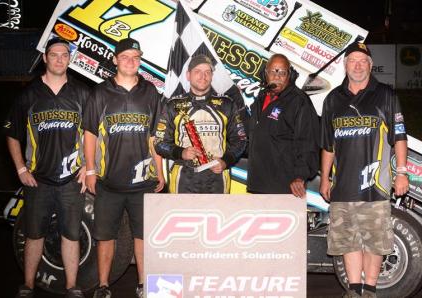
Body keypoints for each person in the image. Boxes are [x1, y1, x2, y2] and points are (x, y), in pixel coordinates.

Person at [319, 42, 409, 298]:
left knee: (374, 241)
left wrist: (401, 172)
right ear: (345, 65)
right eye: (352, 60)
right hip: (343, 186)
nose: (357, 65)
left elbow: (399, 136)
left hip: (376, 186)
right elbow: (327, 145)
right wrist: (325, 178)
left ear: (370, 65)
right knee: (348, 241)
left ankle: (369, 289)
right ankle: (354, 289)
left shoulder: (386, 95)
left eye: (362, 60)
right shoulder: (333, 99)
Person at [5, 37, 90, 298]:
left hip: (71, 180)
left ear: (70, 59)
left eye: (64, 55)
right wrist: (21, 169)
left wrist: (88, 165)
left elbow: (92, 133)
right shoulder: (28, 95)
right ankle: (28, 285)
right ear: (45, 57)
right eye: (54, 54)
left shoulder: (81, 94)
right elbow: (11, 133)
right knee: (34, 234)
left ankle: (72, 287)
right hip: (38, 180)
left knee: (71, 235)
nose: (59, 59)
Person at [82, 37, 164, 298]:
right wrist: (91, 170)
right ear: (115, 59)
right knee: (105, 236)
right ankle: (103, 285)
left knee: (142, 236)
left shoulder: (150, 92)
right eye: (126, 56)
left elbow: (154, 136)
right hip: (109, 181)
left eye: (136, 57)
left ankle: (142, 284)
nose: (131, 61)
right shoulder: (100, 92)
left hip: (143, 182)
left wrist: (160, 172)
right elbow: (90, 134)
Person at [154, 54, 247, 194]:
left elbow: (240, 141)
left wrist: (226, 161)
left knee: (218, 216)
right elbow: (159, 143)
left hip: (217, 177)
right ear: (188, 75)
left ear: (211, 76)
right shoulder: (173, 105)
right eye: (197, 71)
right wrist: (181, 152)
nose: (203, 76)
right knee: (182, 217)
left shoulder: (227, 104)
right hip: (184, 177)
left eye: (207, 72)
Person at [247, 53, 319, 196]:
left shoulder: (299, 101)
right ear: (265, 74)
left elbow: (308, 142)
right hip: (258, 185)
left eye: (282, 72)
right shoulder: (261, 98)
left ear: (290, 75)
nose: (277, 76)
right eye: (273, 71)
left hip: (285, 187)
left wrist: (300, 176)